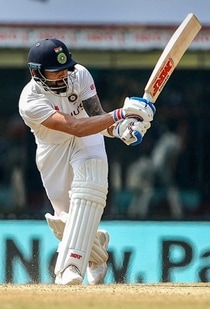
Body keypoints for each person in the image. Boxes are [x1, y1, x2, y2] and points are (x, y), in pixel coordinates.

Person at [18, 38, 155, 285]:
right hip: (54, 148)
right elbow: (74, 127)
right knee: (64, 222)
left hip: (87, 140)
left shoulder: (79, 74)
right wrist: (122, 113)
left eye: (66, 68)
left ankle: (69, 267)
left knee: (90, 190)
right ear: (35, 72)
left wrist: (122, 129)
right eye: (55, 71)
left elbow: (96, 118)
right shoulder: (29, 101)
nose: (64, 75)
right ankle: (97, 250)